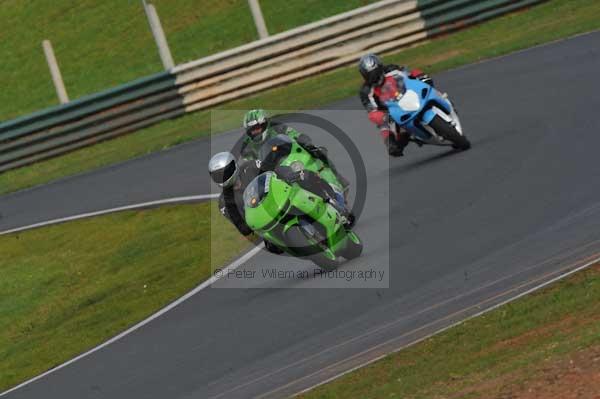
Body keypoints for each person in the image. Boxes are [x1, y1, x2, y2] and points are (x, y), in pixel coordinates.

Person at [237, 109, 349, 189]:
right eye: (252, 129)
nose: (255, 131)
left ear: (265, 124)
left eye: (257, 128)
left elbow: (294, 134)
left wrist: (303, 140)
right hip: (272, 170)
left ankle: (338, 179)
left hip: (290, 156)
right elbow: (249, 166)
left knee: (318, 151)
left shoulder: (277, 127)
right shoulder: (246, 147)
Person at [358, 53, 434, 156]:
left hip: (407, 94)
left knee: (427, 86)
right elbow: (371, 110)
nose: (374, 77)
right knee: (383, 125)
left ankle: (441, 99)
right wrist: (381, 116)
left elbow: (409, 74)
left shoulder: (391, 69)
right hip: (392, 110)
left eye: (376, 72)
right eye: (370, 75)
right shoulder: (365, 91)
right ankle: (392, 144)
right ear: (365, 76)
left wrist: (421, 76)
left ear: (381, 67)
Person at [208, 151, 284, 254]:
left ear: (234, 166)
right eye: (218, 175)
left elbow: (274, 170)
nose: (222, 177)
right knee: (274, 247)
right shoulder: (224, 202)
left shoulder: (250, 166)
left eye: (225, 172)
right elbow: (242, 227)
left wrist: (284, 172)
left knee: (303, 177)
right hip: (265, 223)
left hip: (280, 198)